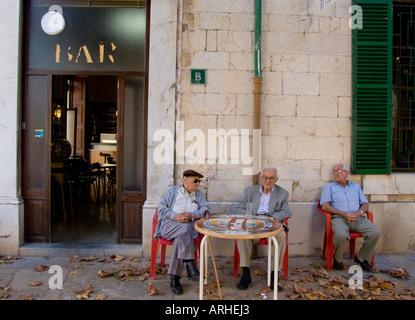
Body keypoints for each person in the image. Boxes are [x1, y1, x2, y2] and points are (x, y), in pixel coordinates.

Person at [154, 169, 211, 295]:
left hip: (188, 229)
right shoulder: (172, 191)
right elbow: (161, 209)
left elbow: (206, 209)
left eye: (199, 181)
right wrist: (174, 216)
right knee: (183, 229)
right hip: (169, 225)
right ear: (185, 179)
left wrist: (193, 215)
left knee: (181, 238)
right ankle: (190, 263)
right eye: (195, 180)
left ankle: (175, 279)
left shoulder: (199, 194)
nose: (198, 183)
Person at [235, 165, 292, 291]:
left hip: (271, 224)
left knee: (281, 236)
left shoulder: (282, 193)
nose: (268, 181)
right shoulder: (250, 191)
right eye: (265, 178)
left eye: (271, 178)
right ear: (261, 178)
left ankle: (273, 275)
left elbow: (287, 212)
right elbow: (239, 208)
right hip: (253, 223)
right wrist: (249, 217)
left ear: (276, 179)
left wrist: (272, 219)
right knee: (242, 236)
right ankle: (246, 273)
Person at [320, 163, 382, 272]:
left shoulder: (356, 187)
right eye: (334, 171)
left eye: (338, 170)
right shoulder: (329, 187)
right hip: (339, 218)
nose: (335, 173)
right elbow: (325, 205)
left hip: (357, 218)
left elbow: (365, 204)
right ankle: (338, 260)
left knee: (375, 232)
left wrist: (358, 213)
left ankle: (362, 257)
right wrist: (344, 214)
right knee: (340, 235)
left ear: (346, 173)